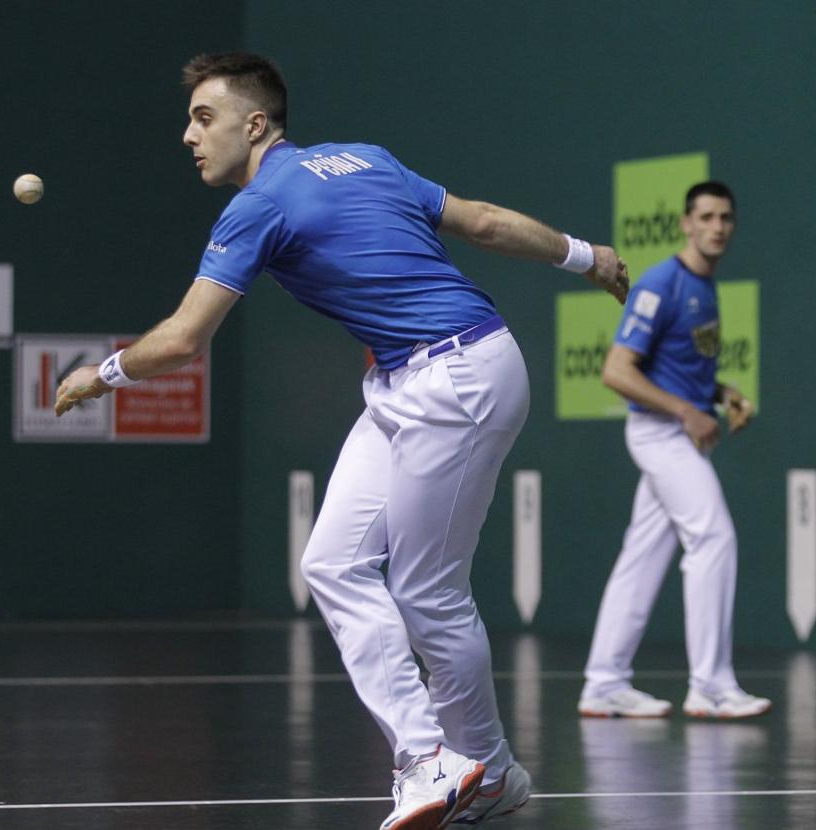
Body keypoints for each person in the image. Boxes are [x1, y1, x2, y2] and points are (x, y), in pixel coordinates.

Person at [53, 52, 629, 828]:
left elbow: (187, 340)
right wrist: (588, 256)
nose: (188, 136)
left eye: (203, 118)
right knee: (332, 563)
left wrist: (105, 373)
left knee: (429, 589)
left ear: (255, 124)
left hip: (457, 376)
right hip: (405, 380)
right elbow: (485, 223)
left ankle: (452, 764)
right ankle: (469, 768)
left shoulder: (256, 207)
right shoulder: (367, 159)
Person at [577, 181, 771, 721]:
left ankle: (604, 682)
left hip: (675, 433)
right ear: (686, 223)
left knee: (642, 558)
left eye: (726, 217)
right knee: (713, 537)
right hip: (659, 435)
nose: (717, 227)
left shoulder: (706, 286)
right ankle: (710, 686)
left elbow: (682, 372)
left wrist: (720, 393)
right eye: (706, 216)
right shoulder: (663, 283)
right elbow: (616, 371)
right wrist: (687, 412)